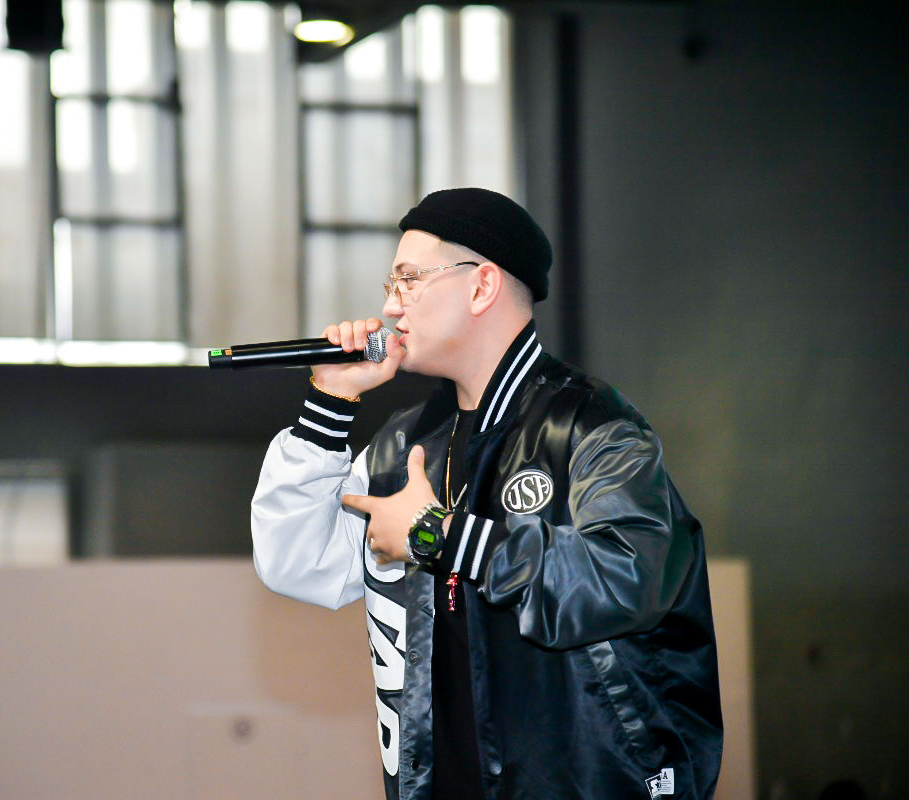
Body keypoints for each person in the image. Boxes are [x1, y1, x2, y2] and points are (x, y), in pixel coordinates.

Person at [251, 188, 723, 799]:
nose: (390, 307)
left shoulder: (589, 425)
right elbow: (295, 562)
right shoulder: (404, 446)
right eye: (391, 284)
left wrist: (441, 535)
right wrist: (330, 404)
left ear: (481, 286)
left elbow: (629, 577)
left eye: (409, 280)